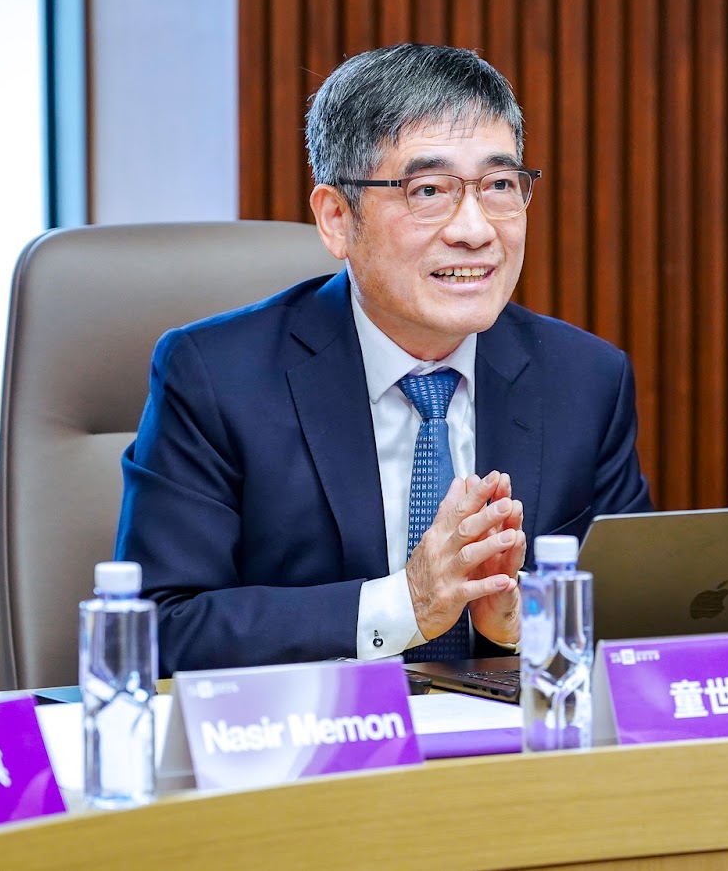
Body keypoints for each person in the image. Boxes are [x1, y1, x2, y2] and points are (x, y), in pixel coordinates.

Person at [118, 43, 652, 670]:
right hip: (310, 754)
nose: (476, 230)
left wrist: (528, 623)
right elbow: (158, 629)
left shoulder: (585, 379)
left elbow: (637, 621)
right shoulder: (215, 377)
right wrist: (406, 605)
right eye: (430, 190)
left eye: (501, 185)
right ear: (337, 220)